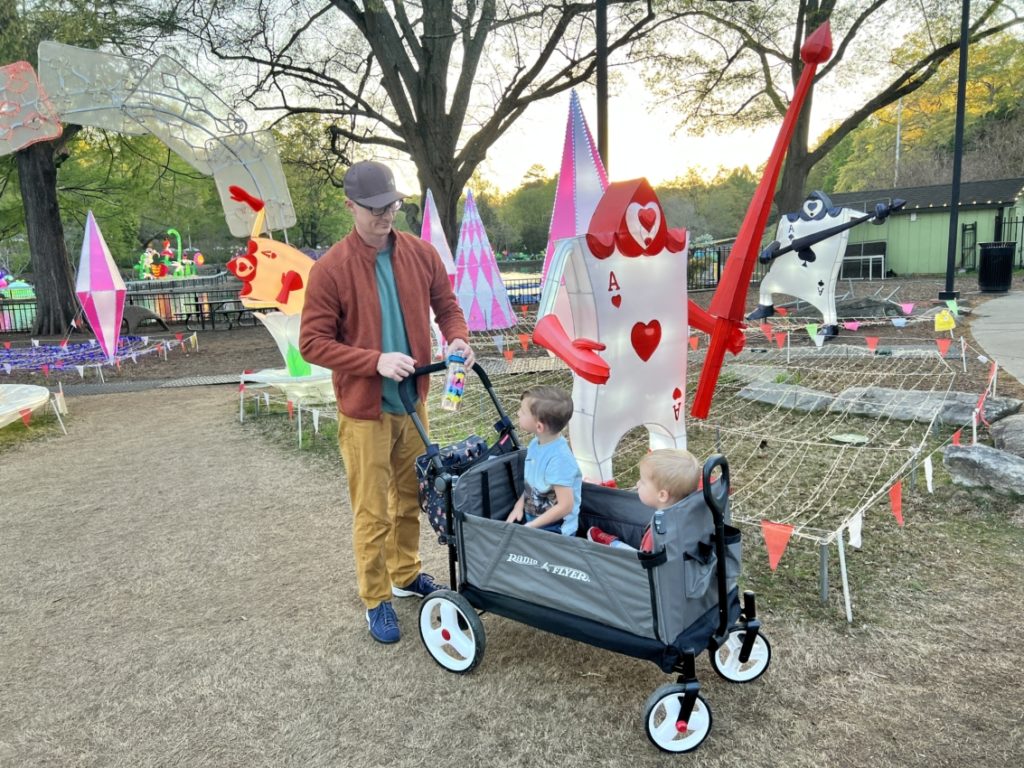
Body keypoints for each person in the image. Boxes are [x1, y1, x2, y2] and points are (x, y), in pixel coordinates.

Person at [299, 160, 475, 645]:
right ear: (350, 206)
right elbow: (312, 343)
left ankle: (405, 573)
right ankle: (376, 599)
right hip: (365, 411)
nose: (385, 216)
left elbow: (447, 305)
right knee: (372, 510)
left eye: (392, 205)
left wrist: (457, 338)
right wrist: (372, 361)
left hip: (412, 403)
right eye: (375, 208)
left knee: (412, 498)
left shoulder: (420, 253)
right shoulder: (330, 269)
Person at [587, 448, 700, 550]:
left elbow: (644, 562)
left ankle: (613, 545)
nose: (637, 484)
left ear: (662, 495)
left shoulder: (658, 533)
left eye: (642, 481)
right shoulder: (695, 514)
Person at [506, 386, 582, 536]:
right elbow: (533, 485)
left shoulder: (559, 460)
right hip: (535, 520)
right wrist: (518, 506)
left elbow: (565, 506)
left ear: (539, 426)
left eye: (523, 411)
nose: (518, 413)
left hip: (556, 530)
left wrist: (531, 526)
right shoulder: (536, 443)